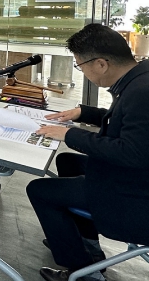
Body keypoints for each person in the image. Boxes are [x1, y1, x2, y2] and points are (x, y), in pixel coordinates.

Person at [26, 24, 149, 281]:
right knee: (67, 161)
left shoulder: (141, 92)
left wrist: (68, 135)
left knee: (39, 190)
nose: (81, 72)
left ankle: (83, 272)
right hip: (133, 177)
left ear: (101, 64)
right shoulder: (139, 77)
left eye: (80, 65)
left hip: (135, 196)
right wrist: (84, 113)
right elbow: (128, 121)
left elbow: (132, 152)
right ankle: (88, 248)